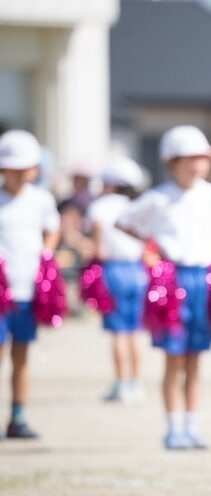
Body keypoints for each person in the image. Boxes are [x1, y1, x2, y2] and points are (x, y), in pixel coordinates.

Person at [116, 125, 211, 450]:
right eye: (189, 158)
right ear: (172, 162)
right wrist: (152, 247)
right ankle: (173, 427)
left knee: (195, 357)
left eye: (203, 158)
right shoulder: (158, 197)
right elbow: (124, 221)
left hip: (206, 279)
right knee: (173, 357)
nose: (197, 165)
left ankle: (192, 425)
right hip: (173, 280)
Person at [0, 130, 61, 439]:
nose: (20, 174)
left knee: (21, 355)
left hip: (28, 291)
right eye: (13, 168)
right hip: (1, 292)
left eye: (26, 168)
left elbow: (52, 229)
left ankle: (18, 415)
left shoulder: (41, 200)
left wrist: (46, 254)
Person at [85, 156, 148, 403]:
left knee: (119, 332)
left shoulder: (100, 207)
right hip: (138, 270)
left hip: (114, 271)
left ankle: (121, 384)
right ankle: (136, 382)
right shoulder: (137, 205)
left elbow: (98, 248)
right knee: (136, 331)